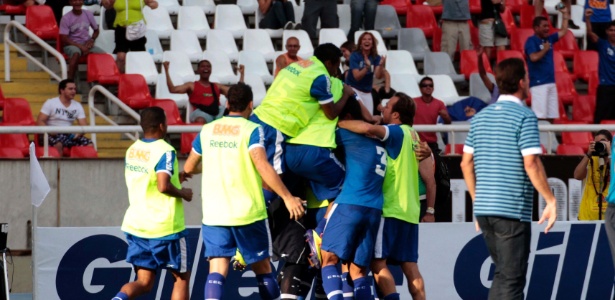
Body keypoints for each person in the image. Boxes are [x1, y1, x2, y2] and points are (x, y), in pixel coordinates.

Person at [183, 83, 306, 300]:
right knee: (263, 270)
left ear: (227, 103)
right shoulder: (251, 129)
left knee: (217, 270)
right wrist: (287, 197)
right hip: (247, 213)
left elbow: (190, 167)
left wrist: (201, 166)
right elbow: (262, 165)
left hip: (214, 213)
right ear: (251, 105)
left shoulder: (208, 129)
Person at [460, 58, 557, 299]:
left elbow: (465, 163)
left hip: (484, 210)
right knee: (511, 279)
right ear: (522, 82)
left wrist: (477, 200)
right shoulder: (524, 116)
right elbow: (532, 163)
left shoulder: (480, 117)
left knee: (504, 275)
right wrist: (550, 200)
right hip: (511, 210)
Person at [339, 92, 432, 300]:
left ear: (397, 115)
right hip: (410, 210)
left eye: (388, 106)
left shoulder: (396, 132)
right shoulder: (414, 135)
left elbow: (369, 128)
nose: (383, 109)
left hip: (390, 208)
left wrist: (341, 123)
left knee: (377, 263)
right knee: (410, 266)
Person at [112, 106, 193, 300]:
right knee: (180, 279)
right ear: (162, 126)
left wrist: (177, 178)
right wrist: (183, 193)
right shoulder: (165, 150)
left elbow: (147, 180)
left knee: (144, 282)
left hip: (137, 226)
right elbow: (162, 186)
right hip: (164, 227)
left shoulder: (133, 150)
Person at [319, 99, 386, 300]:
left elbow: (321, 135)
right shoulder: (380, 141)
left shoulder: (346, 134)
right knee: (359, 271)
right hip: (374, 210)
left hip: (350, 204)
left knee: (328, 259)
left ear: (347, 118)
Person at [250, 43, 350, 177]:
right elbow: (331, 114)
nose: (336, 72)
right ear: (328, 63)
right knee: (272, 177)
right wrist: (346, 94)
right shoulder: (320, 76)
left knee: (253, 171)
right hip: (275, 125)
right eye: (337, 66)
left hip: (257, 117)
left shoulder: (296, 65)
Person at [163, 60, 244, 124]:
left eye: (208, 66)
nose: (206, 68)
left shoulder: (216, 86)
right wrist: (166, 71)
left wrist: (242, 75)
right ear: (198, 70)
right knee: (200, 120)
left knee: (231, 115)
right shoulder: (191, 85)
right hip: (200, 113)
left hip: (217, 113)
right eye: (203, 66)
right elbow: (172, 89)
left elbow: (237, 93)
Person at [525, 8, 570, 122]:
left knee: (551, 115)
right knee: (540, 116)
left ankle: (549, 139)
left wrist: (565, 15)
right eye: (544, 26)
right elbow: (533, 57)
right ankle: (539, 139)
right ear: (536, 28)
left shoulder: (549, 39)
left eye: (548, 26)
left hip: (551, 82)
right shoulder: (531, 41)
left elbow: (564, 31)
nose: (547, 28)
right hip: (539, 84)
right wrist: (545, 50)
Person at [36, 79, 93, 156]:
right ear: (62, 90)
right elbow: (40, 121)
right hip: (51, 134)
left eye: (74, 89)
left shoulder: (77, 105)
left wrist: (78, 134)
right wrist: (50, 131)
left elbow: (84, 125)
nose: (73, 91)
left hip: (68, 134)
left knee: (89, 144)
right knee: (59, 144)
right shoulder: (50, 103)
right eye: (70, 89)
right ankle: (60, 167)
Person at [101, 0, 158, 73]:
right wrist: (105, 3)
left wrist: (154, 4)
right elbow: (107, 6)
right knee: (121, 57)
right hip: (121, 29)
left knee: (138, 56)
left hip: (137, 29)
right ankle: (119, 80)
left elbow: (154, 4)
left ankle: (138, 79)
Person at [59, 0, 105, 80]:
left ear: (83, 2)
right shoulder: (66, 18)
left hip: (86, 43)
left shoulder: (88, 14)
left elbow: (96, 30)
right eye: (74, 1)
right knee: (76, 53)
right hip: (71, 44)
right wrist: (80, 46)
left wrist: (92, 40)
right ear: (70, 2)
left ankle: (101, 82)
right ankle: (70, 81)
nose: (77, 3)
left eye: (80, 0)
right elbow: (64, 38)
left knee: (103, 56)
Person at [574, 130, 611, 220]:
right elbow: (577, 176)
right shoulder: (591, 160)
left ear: (610, 143)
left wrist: (610, 153)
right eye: (597, 142)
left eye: (603, 141)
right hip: (587, 216)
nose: (600, 144)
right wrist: (588, 154)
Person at [585, 12, 615, 124]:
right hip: (605, 87)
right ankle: (596, 139)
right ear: (607, 32)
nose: (613, 33)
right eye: (611, 30)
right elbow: (590, 33)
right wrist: (587, 19)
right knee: (601, 117)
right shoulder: (603, 44)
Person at [346, 31, 385, 116]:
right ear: (360, 42)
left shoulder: (376, 57)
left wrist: (381, 65)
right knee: (359, 114)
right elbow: (356, 77)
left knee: (369, 116)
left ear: (373, 43)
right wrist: (366, 67)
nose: (367, 41)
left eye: (369, 39)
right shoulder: (355, 56)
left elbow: (378, 76)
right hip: (353, 89)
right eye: (364, 39)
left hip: (367, 91)